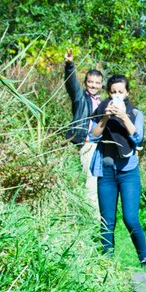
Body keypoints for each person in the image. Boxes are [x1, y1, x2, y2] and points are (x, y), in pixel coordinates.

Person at [90, 73, 146, 267]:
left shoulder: (135, 113)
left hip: (128, 172)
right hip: (106, 171)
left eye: (120, 92)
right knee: (107, 220)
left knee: (130, 218)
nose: (117, 95)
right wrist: (106, 117)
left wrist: (123, 116)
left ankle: (144, 259)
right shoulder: (102, 111)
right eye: (113, 92)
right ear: (108, 93)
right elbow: (93, 136)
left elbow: (138, 138)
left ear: (127, 93)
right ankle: (106, 261)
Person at [62, 50, 103, 210]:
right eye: (90, 82)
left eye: (97, 83)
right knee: (90, 184)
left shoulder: (104, 102)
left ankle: (100, 216)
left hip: (101, 147)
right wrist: (69, 65)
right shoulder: (80, 98)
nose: (93, 85)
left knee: (100, 183)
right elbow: (71, 83)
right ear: (85, 83)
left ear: (101, 85)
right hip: (87, 144)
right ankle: (93, 220)